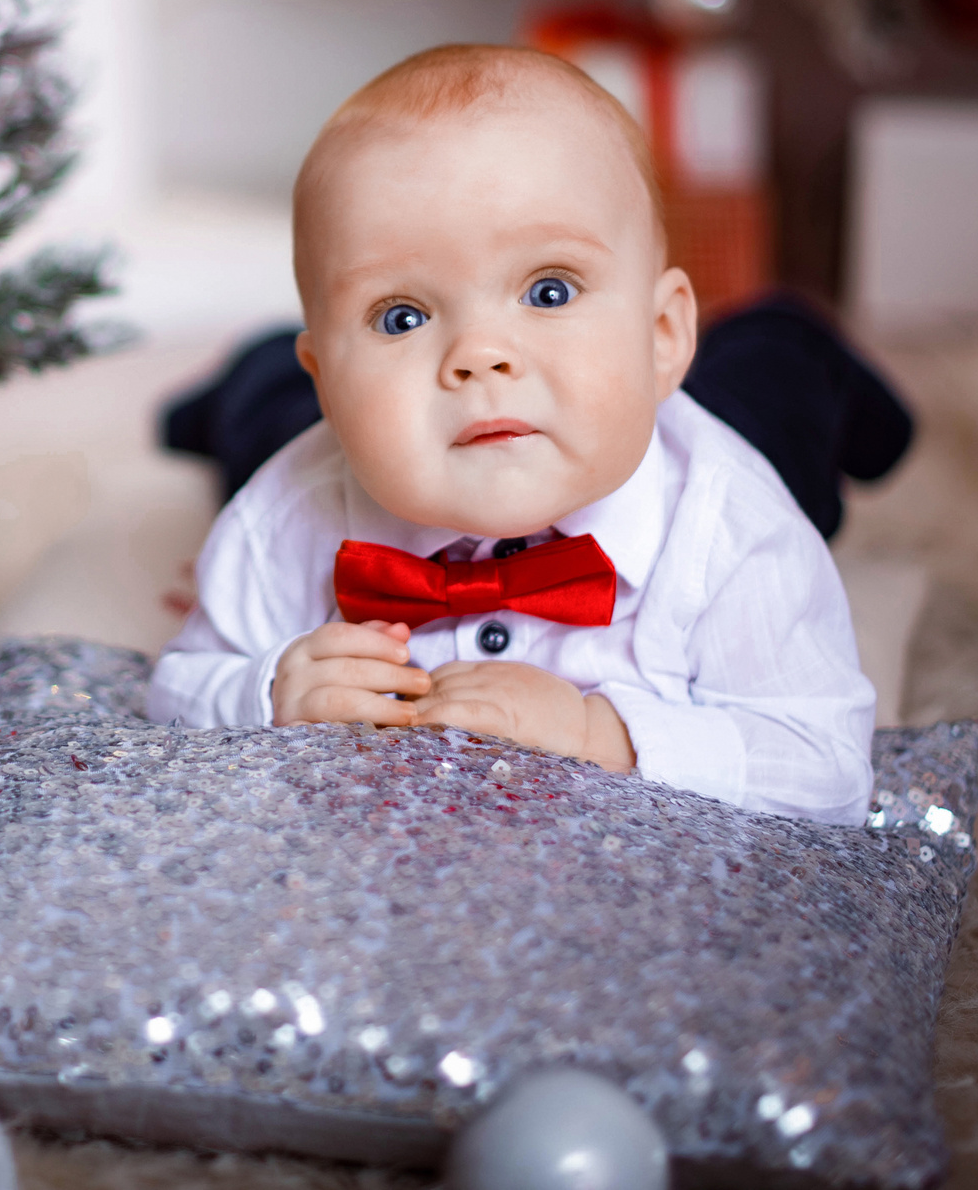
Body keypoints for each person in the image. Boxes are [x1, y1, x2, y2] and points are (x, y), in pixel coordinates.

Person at [145, 44, 891, 824]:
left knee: (778, 376)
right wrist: (269, 690)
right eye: (402, 315)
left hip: (714, 412)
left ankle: (801, 347)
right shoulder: (284, 516)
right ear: (326, 377)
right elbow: (181, 688)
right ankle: (258, 370)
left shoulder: (734, 531)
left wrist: (603, 734)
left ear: (663, 330)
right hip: (342, 425)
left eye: (549, 289)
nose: (479, 354)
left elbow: (828, 772)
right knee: (264, 414)